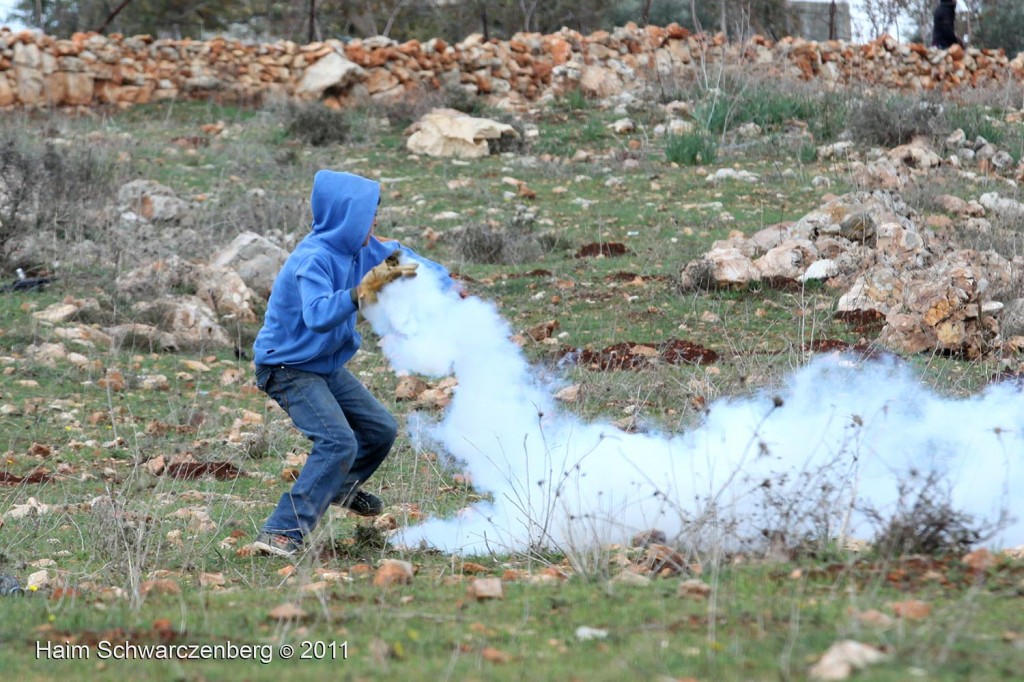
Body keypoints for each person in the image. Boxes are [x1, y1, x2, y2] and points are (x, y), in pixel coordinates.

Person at [252, 169, 456, 557]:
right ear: (346, 216)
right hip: (287, 367)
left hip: (324, 365)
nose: (374, 223)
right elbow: (316, 315)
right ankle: (281, 530)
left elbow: (403, 260)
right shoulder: (312, 259)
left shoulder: (360, 248)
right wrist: (364, 290)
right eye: (368, 215)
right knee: (337, 440)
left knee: (380, 429)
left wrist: (448, 285)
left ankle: (340, 486)